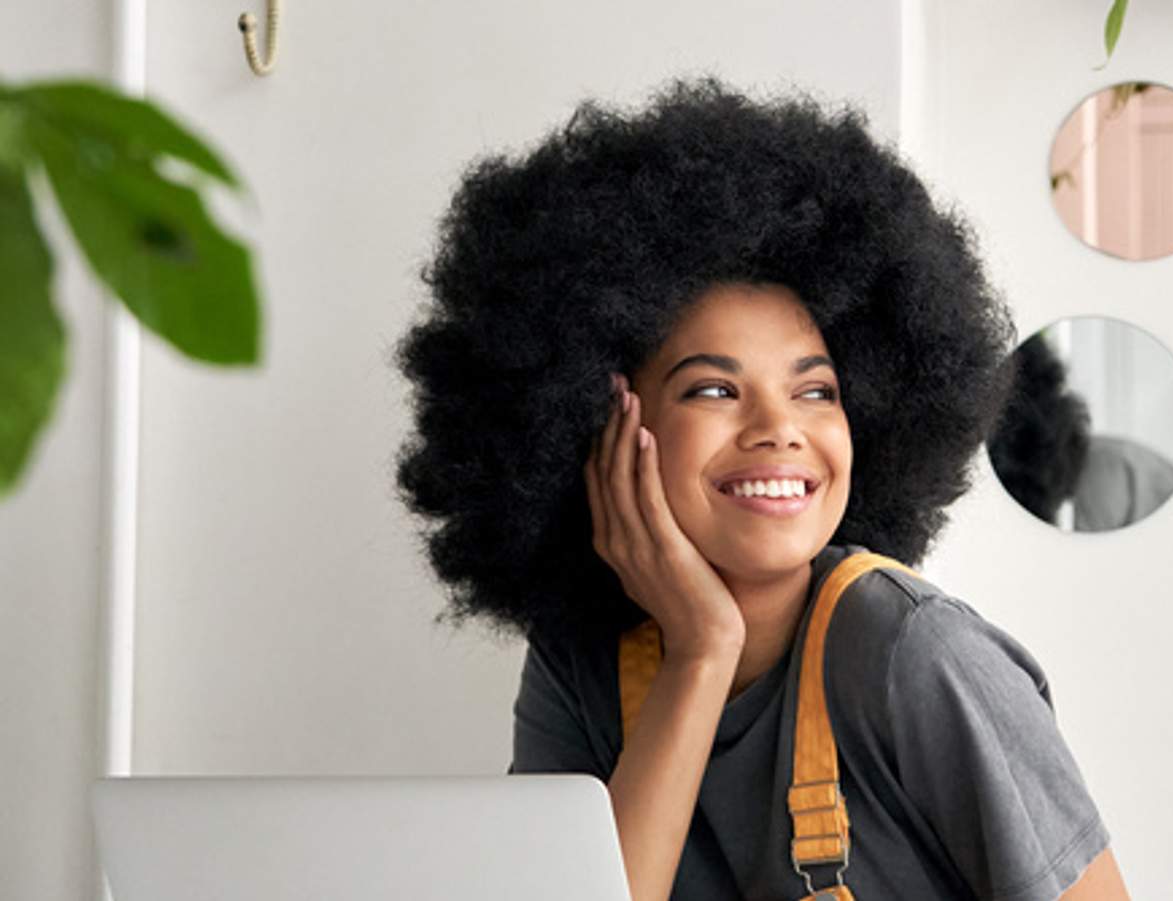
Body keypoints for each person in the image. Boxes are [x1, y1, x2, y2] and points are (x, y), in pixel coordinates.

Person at [394, 75, 1128, 901]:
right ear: (599, 420)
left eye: (816, 390)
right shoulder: (578, 663)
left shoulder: (918, 656)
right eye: (714, 388)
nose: (780, 426)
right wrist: (702, 648)